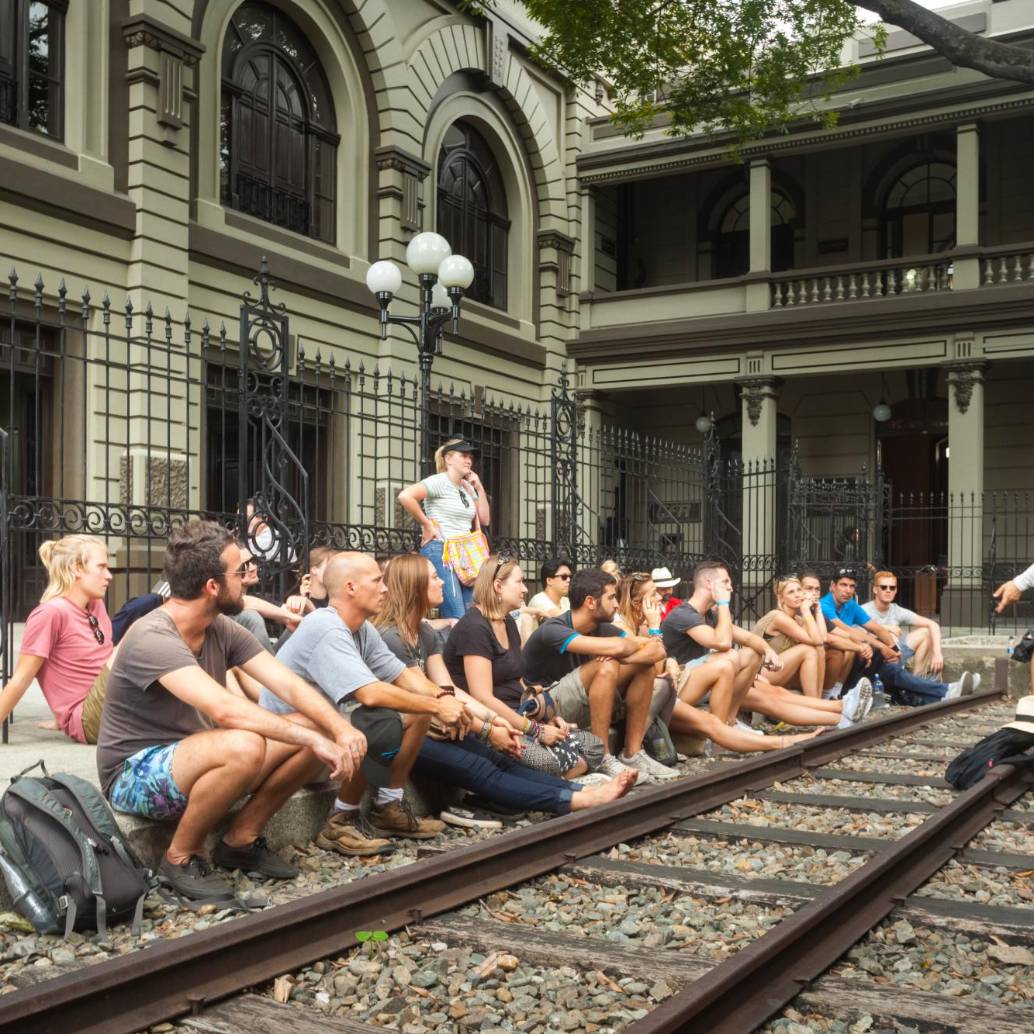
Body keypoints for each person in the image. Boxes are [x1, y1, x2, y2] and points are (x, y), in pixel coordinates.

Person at [96, 520, 365, 901]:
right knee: (246, 744)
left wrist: (338, 728)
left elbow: (285, 683)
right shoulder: (152, 635)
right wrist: (311, 736)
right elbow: (225, 710)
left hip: (199, 753)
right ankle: (180, 857)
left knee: (314, 725)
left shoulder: (219, 627)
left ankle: (239, 840)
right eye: (240, 571)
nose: (248, 577)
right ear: (212, 586)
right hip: (134, 773)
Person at [376, 554, 637, 820]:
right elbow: (438, 696)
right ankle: (577, 798)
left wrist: (505, 722)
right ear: (414, 585)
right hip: (411, 731)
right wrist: (494, 728)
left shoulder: (425, 632)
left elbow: (448, 690)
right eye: (434, 577)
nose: (443, 582)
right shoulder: (394, 637)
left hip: (450, 723)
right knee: (484, 767)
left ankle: (576, 790)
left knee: (500, 762)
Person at [261, 552, 471, 854]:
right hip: (294, 749)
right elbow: (369, 693)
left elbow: (401, 675)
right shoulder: (327, 627)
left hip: (325, 740)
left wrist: (443, 700)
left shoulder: (362, 627)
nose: (385, 588)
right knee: (378, 719)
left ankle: (388, 808)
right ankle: (339, 822)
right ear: (350, 588)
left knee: (416, 713)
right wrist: (438, 707)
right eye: (377, 581)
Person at [664, 563, 870, 744]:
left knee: (774, 692)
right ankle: (839, 714)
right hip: (687, 685)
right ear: (710, 584)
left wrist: (768, 650)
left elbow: (749, 639)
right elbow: (723, 642)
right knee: (768, 697)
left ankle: (842, 710)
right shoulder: (684, 615)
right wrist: (724, 604)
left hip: (714, 680)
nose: (731, 588)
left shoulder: (708, 614)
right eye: (726, 582)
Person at [443, 554, 605, 779]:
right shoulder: (474, 628)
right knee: (549, 762)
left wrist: (545, 717)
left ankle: (558, 777)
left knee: (595, 746)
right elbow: (483, 698)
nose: (525, 590)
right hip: (496, 725)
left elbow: (519, 682)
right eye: (519, 582)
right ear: (498, 586)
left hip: (522, 717)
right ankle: (555, 779)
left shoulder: (507, 620)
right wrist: (536, 730)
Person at [522, 568, 676, 782]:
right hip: (548, 708)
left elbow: (657, 652)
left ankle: (632, 753)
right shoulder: (553, 629)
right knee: (607, 665)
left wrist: (635, 648)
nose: (616, 603)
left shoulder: (601, 627)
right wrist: (620, 653)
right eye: (611, 597)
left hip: (580, 703)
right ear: (591, 602)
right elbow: (621, 646)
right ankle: (602, 757)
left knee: (644, 666)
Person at [0, 535, 114, 743]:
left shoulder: (96, 605)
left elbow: (87, 664)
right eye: (101, 567)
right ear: (76, 568)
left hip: (113, 703)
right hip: (89, 719)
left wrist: (58, 717)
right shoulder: (50, 614)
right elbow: (22, 678)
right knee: (140, 635)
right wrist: (67, 714)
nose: (109, 576)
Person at [820, 569, 974, 705]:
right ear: (833, 586)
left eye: (851, 586)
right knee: (887, 665)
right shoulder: (825, 605)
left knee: (892, 674)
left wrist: (894, 651)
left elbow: (878, 629)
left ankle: (945, 692)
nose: (847, 590)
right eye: (843, 585)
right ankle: (944, 690)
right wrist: (883, 647)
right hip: (841, 667)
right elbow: (848, 632)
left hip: (862, 661)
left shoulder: (850, 605)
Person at [397, 439, 491, 619]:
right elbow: (405, 496)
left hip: (464, 555)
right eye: (463, 456)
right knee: (457, 614)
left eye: (470, 457)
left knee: (472, 613)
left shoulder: (466, 487)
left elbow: (485, 519)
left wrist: (478, 486)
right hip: (442, 550)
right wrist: (427, 524)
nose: (469, 460)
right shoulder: (439, 481)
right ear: (448, 459)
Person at [863, 570, 946, 677]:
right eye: (883, 587)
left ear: (896, 590)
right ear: (875, 589)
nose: (888, 590)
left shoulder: (896, 610)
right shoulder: (864, 610)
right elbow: (857, 636)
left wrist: (937, 654)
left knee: (926, 632)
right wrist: (886, 629)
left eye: (892, 588)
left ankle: (917, 680)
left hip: (896, 653)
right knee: (891, 635)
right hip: (874, 658)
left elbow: (933, 625)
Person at [753, 577, 827, 697]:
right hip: (761, 673)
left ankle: (817, 700)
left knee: (820, 650)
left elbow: (822, 639)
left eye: (799, 590)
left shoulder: (797, 620)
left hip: (781, 669)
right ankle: (814, 702)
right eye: (791, 592)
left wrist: (818, 610)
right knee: (808, 650)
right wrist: (805, 610)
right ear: (781, 598)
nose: (797, 595)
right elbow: (817, 640)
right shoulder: (778, 617)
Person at [520, 558, 574, 641]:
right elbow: (569, 622)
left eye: (570, 576)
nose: (569, 580)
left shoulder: (566, 600)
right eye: (564, 577)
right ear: (549, 580)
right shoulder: (539, 600)